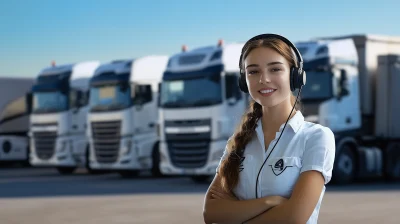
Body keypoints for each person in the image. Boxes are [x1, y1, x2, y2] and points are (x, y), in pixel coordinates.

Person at [202, 33, 336, 224]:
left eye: (275, 69)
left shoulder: (316, 137)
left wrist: (235, 213)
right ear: (244, 80)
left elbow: (294, 217)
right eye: (253, 72)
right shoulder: (238, 141)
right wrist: (269, 202)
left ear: (295, 76)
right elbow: (211, 212)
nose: (264, 79)